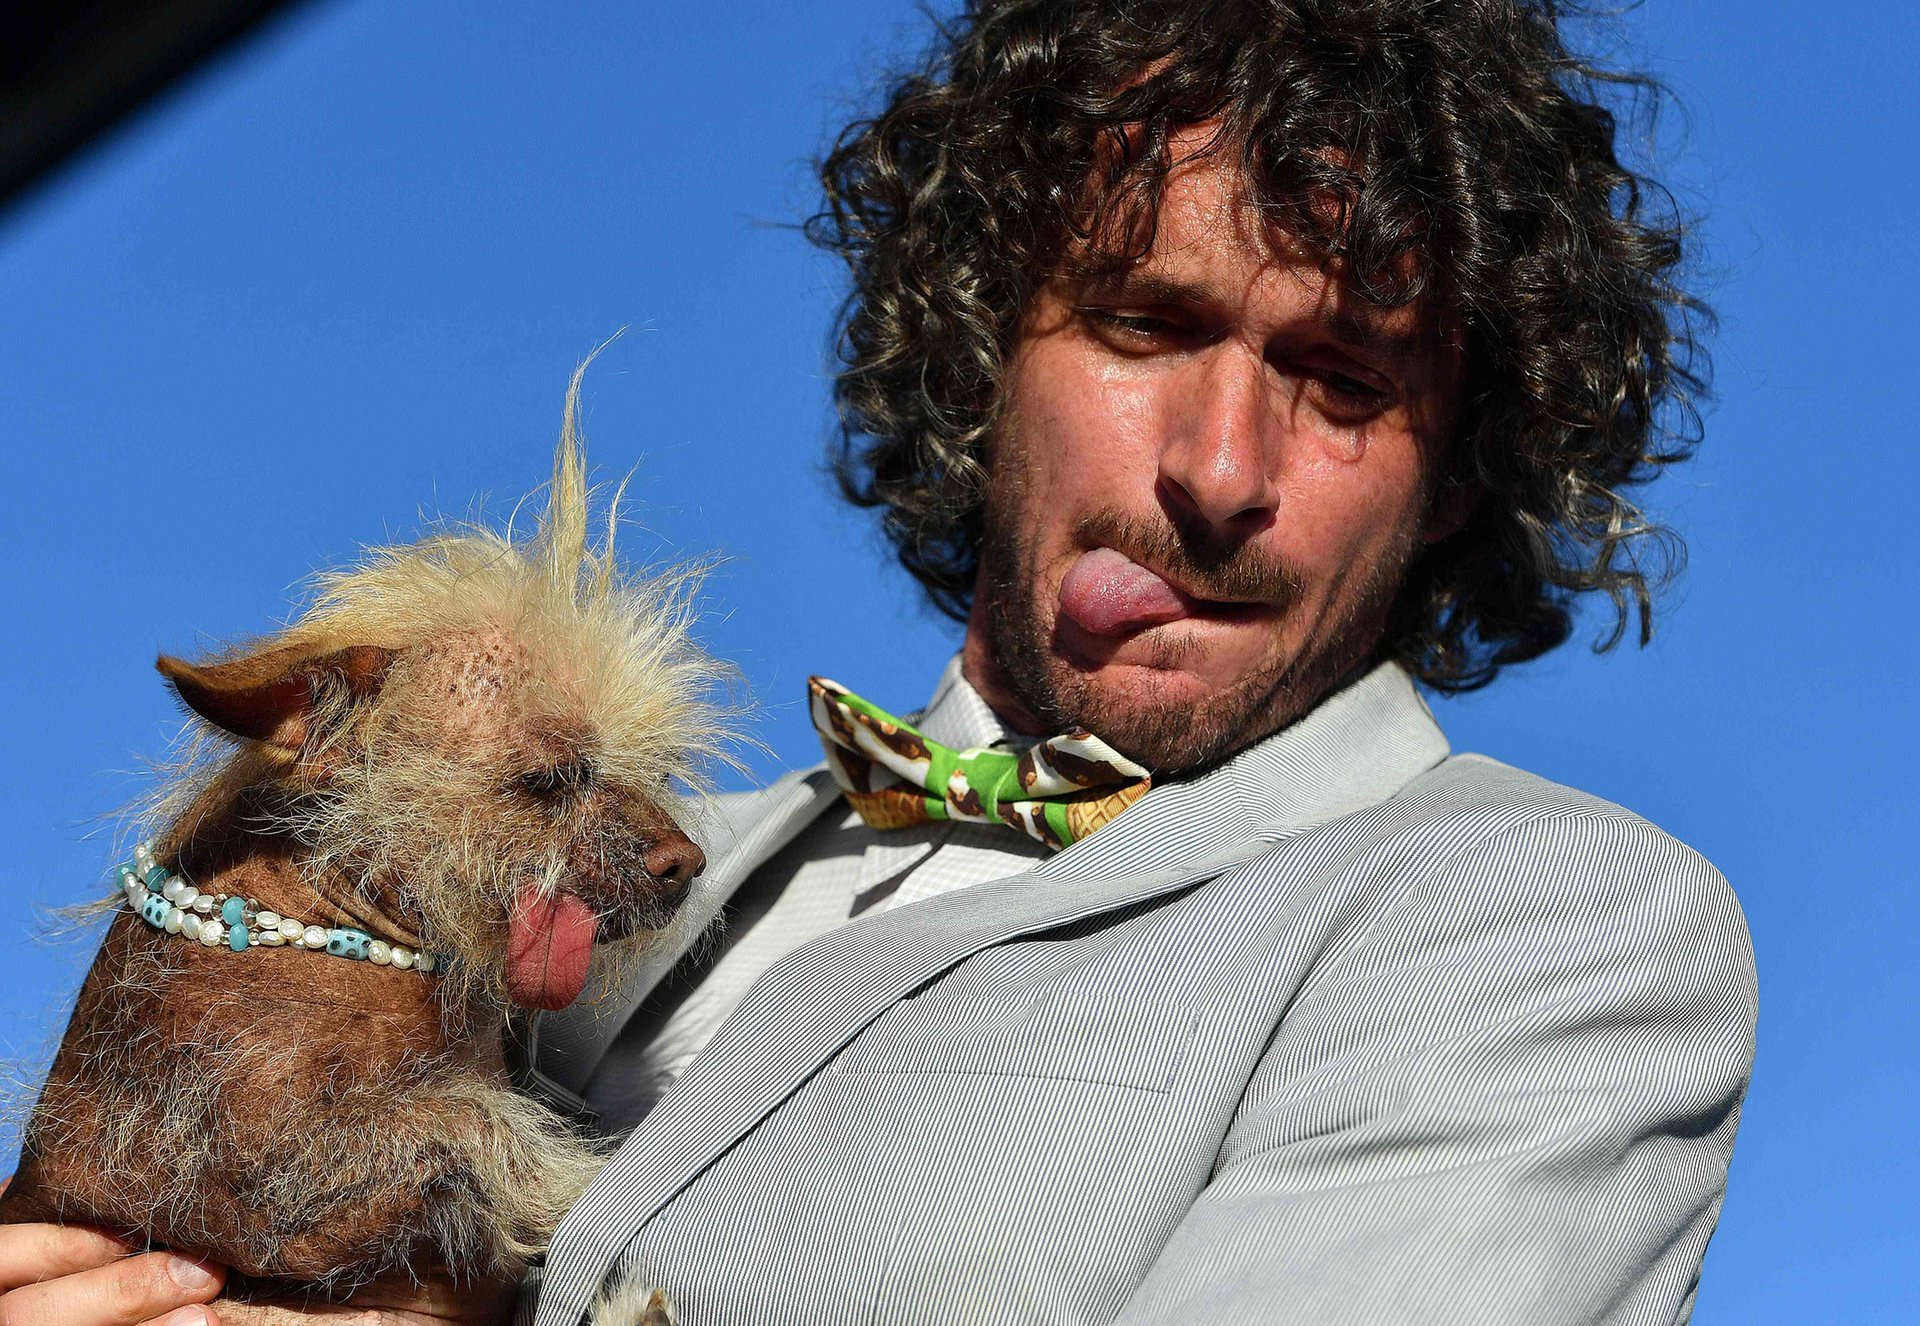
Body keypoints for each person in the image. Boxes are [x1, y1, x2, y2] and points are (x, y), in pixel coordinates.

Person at [0, 1, 1756, 1323]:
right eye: (1146, 324)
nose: (1222, 469)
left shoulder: (1549, 926)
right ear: (984, 345)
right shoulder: (588, 869)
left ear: (1457, 478)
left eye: (1346, 380)